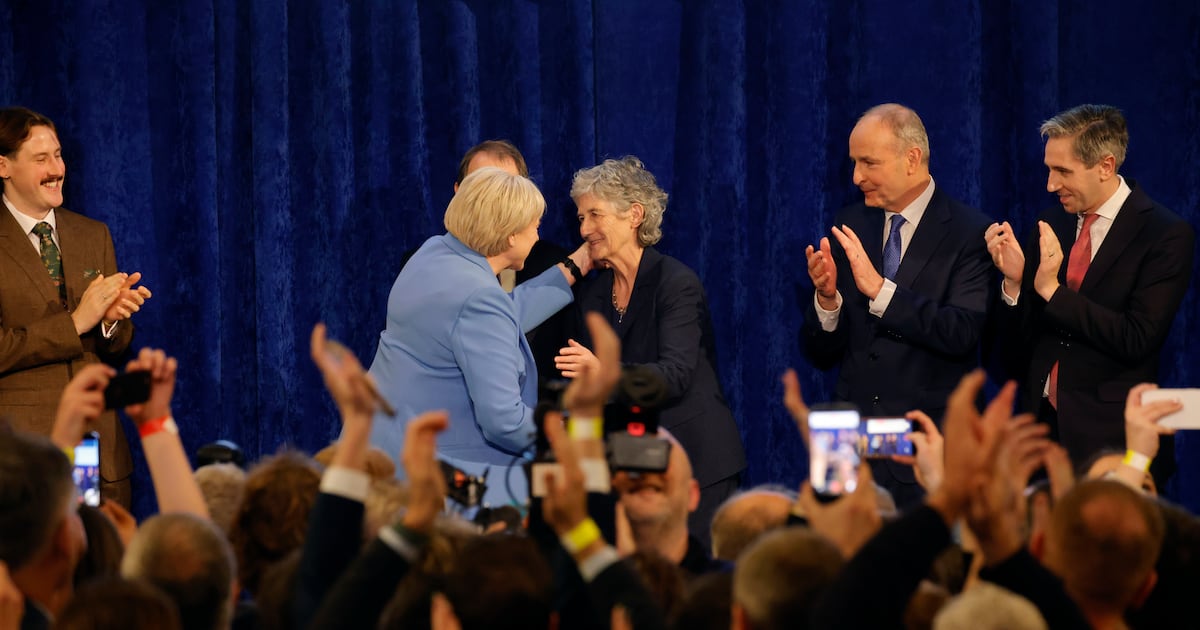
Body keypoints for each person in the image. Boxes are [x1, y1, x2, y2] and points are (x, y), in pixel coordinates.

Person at [985, 104, 1195, 476]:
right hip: (1040, 436)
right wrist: (1015, 284)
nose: (1051, 185)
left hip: (1110, 439)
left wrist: (1052, 291)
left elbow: (1135, 337)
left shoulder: (1164, 234)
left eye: (1063, 171)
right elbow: (1019, 350)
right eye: (1049, 169)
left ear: (1105, 166)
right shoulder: (1052, 222)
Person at [801, 103, 992, 507]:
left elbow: (961, 332)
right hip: (844, 441)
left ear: (912, 159)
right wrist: (827, 300)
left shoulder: (971, 233)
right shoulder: (851, 221)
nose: (856, 177)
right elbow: (820, 354)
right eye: (854, 163)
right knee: (829, 546)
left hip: (923, 444)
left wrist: (880, 291)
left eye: (868, 163)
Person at [368, 167, 591, 507]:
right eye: (534, 226)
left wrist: (574, 267)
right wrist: (576, 436)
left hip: (383, 448)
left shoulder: (433, 254)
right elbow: (504, 422)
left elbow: (492, 321)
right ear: (511, 235)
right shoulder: (479, 299)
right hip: (439, 478)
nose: (537, 237)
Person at [556, 156, 746, 547]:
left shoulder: (675, 283)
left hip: (697, 466)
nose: (584, 229)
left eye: (595, 215)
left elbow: (674, 376)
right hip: (636, 472)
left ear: (634, 215)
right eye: (580, 218)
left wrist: (604, 375)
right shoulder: (594, 295)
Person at [0, 106, 152, 508]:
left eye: (58, 155)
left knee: (92, 547)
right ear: (4, 166)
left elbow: (115, 347)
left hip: (95, 451)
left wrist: (110, 323)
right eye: (41, 158)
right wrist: (76, 323)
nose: (56, 169)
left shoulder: (92, 234)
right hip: (22, 454)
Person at [397, 140, 574, 379]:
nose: (495, 202)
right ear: (459, 193)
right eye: (483, 187)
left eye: (507, 190)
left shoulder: (552, 261)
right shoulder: (423, 264)